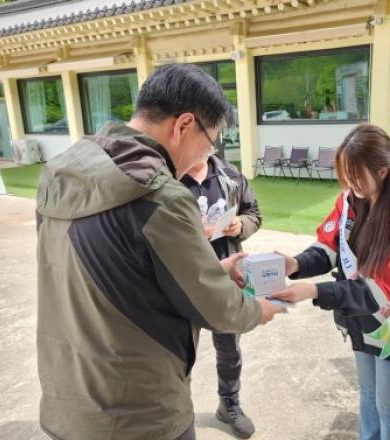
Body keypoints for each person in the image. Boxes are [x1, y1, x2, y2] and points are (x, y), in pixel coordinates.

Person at [36, 63, 284, 440]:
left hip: (66, 398)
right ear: (184, 125)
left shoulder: (61, 172)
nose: (207, 154)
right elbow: (217, 309)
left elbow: (122, 274)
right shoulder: (160, 196)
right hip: (139, 413)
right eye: (210, 141)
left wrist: (215, 270)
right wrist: (258, 310)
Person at [270, 124, 390, 440]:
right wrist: (296, 264)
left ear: (383, 171)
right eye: (345, 174)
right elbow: (330, 247)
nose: (349, 182)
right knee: (367, 396)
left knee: (389, 407)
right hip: (360, 320)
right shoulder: (350, 200)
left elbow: (379, 292)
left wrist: (313, 290)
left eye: (356, 175)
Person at [180, 153, 261, 438]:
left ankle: (229, 404)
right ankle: (178, 414)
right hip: (184, 279)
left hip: (226, 279)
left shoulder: (230, 175)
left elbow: (254, 213)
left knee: (229, 348)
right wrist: (192, 232)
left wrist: (241, 225)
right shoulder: (169, 177)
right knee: (178, 351)